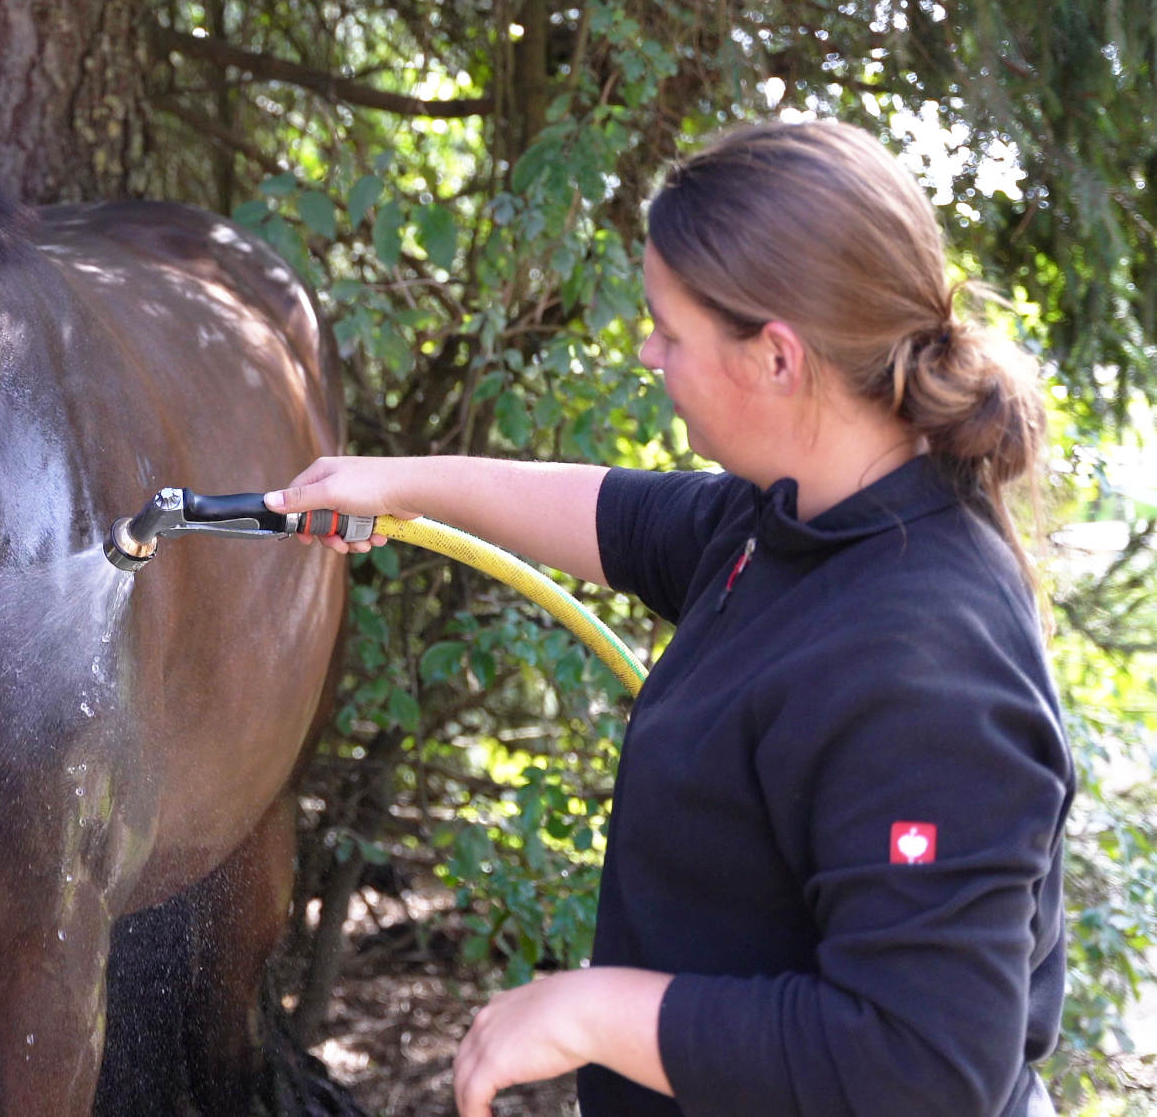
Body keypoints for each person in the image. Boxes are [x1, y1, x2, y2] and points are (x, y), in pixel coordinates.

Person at [265, 120, 1073, 1117]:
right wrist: (399, 483)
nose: (647, 352)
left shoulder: (924, 671)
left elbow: (925, 1069)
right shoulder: (803, 514)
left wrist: (595, 1014)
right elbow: (626, 517)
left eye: (669, 329)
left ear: (776, 358)